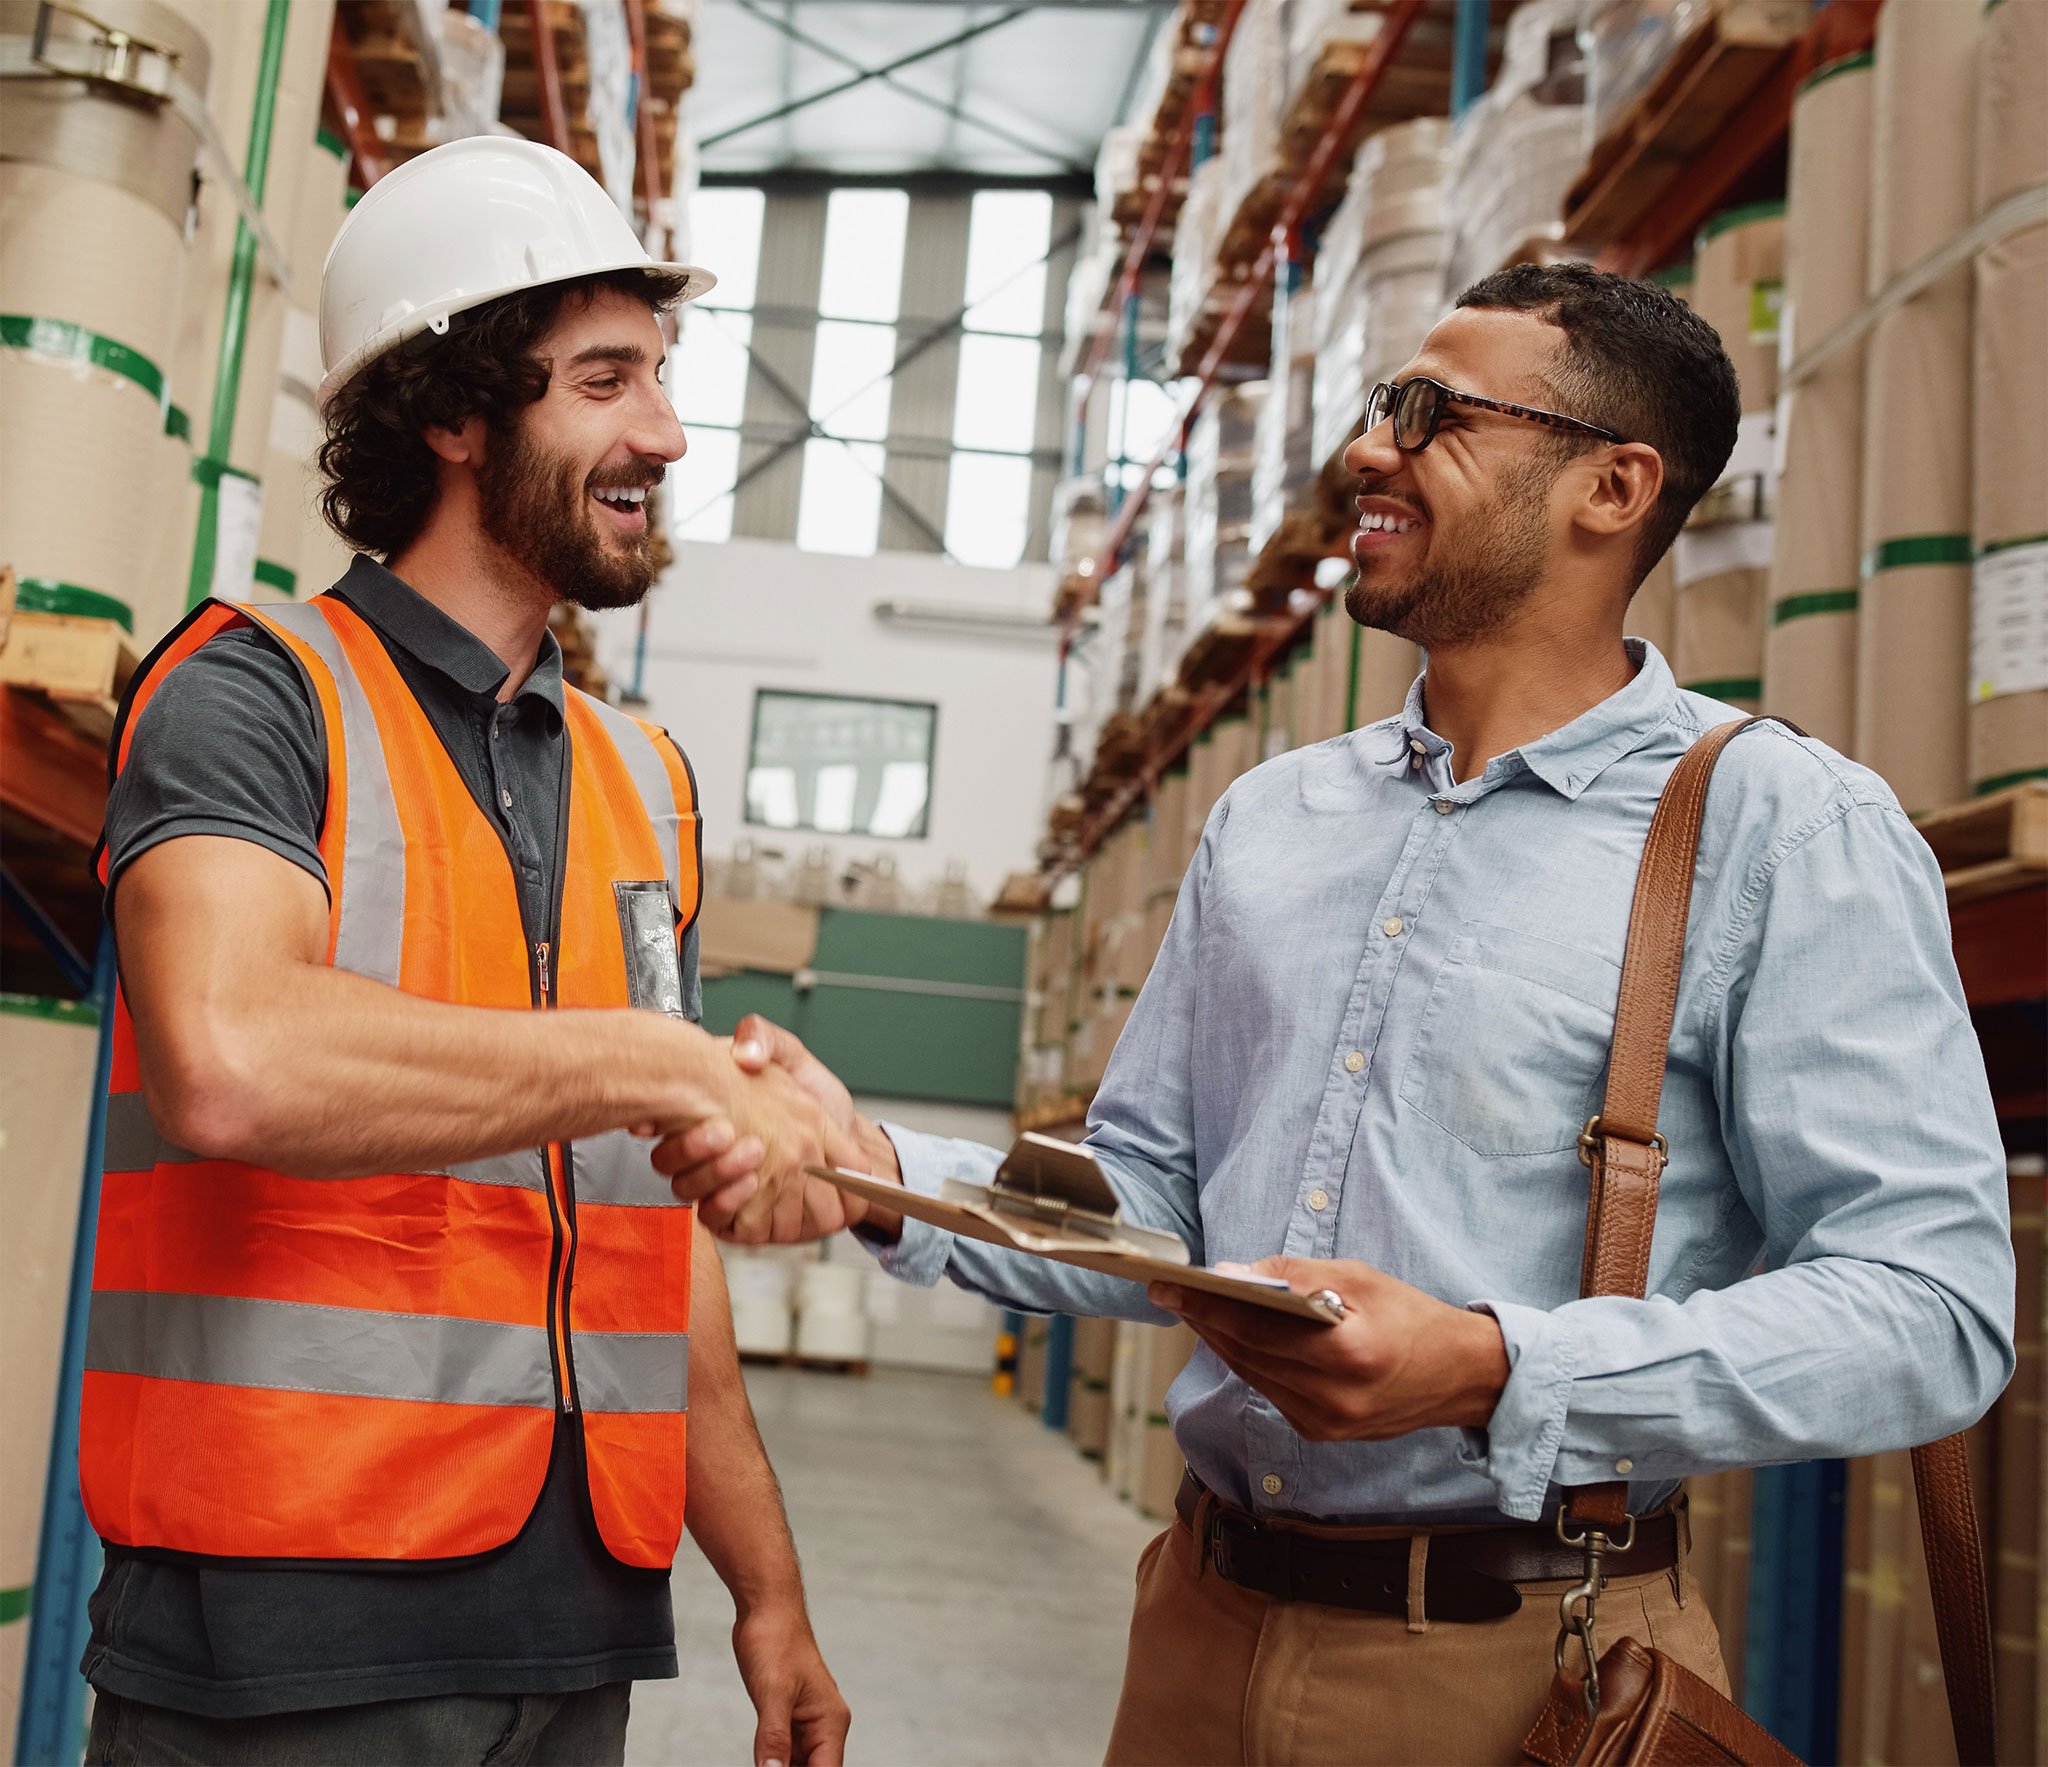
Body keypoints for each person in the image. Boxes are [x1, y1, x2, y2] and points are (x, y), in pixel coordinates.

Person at [661, 263, 2015, 1764]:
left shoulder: (1782, 831)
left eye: (1430, 414)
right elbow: (1166, 1212)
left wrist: (1501, 1368)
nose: (1367, 450)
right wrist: (875, 1169)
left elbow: (1934, 1309)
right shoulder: (1276, 817)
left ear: (1613, 488)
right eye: (1381, 405)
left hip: (1525, 1674)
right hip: (1199, 1625)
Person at [81, 138, 854, 1767]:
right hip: (286, 1624)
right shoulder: (254, 695)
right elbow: (229, 1058)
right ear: (451, 416)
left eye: (659, 376)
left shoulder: (645, 782)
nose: (664, 430)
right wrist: (654, 1057)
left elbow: (656, 1237)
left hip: (575, 1630)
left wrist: (767, 1592)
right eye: (603, 380)